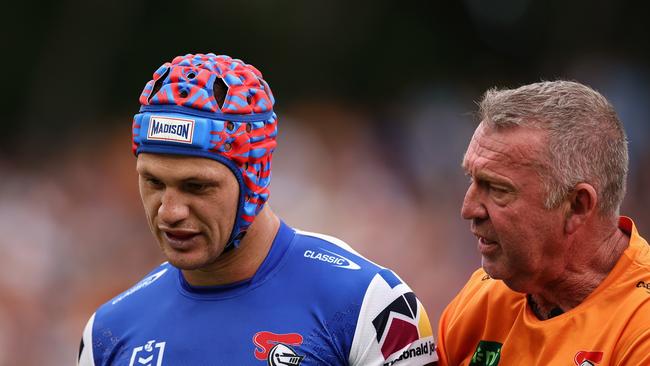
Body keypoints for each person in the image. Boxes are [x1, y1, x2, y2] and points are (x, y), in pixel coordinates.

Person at [77, 53, 437, 366]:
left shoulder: (368, 304)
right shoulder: (108, 333)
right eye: (153, 183)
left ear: (253, 179)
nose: (169, 211)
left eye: (197, 186)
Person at [436, 80, 650, 365]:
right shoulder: (481, 299)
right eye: (472, 180)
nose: (469, 209)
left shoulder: (640, 327)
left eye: (498, 189)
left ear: (577, 206)